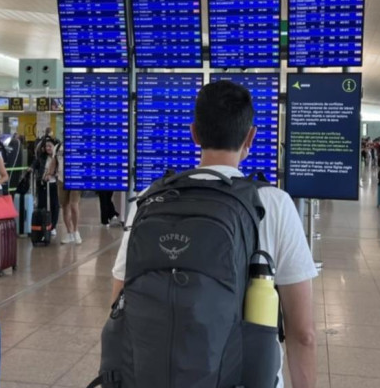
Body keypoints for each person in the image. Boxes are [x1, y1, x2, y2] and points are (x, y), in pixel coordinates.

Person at [111, 80, 318, 387]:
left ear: (194, 133)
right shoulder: (274, 204)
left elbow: (118, 303)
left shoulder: (150, 198)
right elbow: (303, 333)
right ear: (251, 136)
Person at [52, 142, 82, 244]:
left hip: (75, 179)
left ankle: (76, 231)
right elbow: (54, 161)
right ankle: (69, 233)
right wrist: (48, 173)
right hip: (61, 179)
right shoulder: (58, 147)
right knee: (65, 206)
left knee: (74, 205)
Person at [30, 137, 59, 237]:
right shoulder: (42, 157)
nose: (48, 148)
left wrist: (52, 175)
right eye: (46, 146)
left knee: (54, 205)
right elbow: (35, 163)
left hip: (54, 184)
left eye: (50, 146)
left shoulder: (57, 158)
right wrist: (31, 168)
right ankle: (43, 224)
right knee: (42, 205)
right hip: (43, 184)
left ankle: (53, 226)